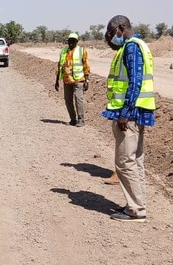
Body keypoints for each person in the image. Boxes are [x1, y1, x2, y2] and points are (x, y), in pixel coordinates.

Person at [102, 15, 156, 222]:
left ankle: (136, 210)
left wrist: (125, 112)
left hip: (130, 116)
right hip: (137, 112)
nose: (109, 39)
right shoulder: (137, 45)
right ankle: (137, 205)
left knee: (125, 162)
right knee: (136, 162)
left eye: (110, 34)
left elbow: (135, 81)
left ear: (121, 28)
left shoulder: (132, 47)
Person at [55, 32, 90, 126]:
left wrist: (87, 80)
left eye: (73, 41)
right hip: (67, 80)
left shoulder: (81, 51)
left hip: (78, 80)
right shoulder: (63, 51)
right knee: (68, 100)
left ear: (77, 41)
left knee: (78, 99)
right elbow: (59, 66)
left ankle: (81, 120)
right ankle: (73, 119)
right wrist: (57, 81)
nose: (70, 43)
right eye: (69, 41)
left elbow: (86, 66)